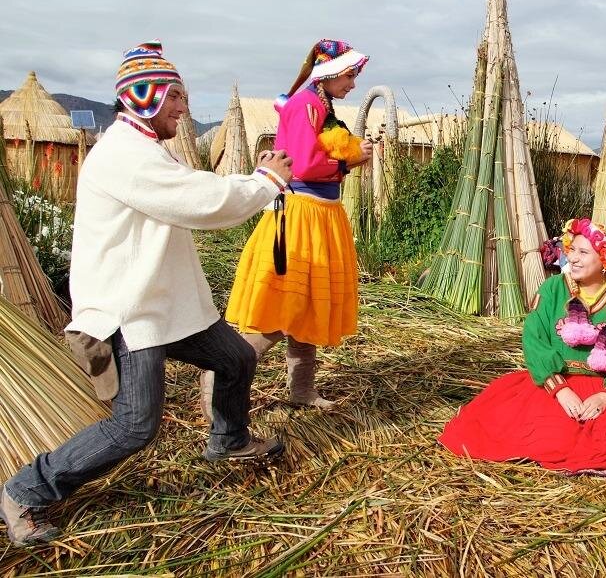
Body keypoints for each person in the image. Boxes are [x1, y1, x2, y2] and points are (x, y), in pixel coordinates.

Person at [0, 41, 293, 547]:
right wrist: (266, 182)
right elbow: (200, 201)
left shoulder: (146, 149)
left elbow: (192, 187)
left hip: (166, 304)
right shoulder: (124, 155)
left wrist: (255, 179)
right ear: (145, 97)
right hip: (130, 312)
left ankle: (229, 440)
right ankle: (25, 490)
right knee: (135, 426)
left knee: (235, 358)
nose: (183, 107)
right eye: (174, 96)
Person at [216, 39, 373, 412]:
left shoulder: (320, 105)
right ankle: (217, 384)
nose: (353, 84)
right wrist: (349, 160)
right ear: (329, 74)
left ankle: (301, 390)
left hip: (319, 214)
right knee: (283, 307)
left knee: (307, 307)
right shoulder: (306, 105)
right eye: (349, 76)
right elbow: (303, 164)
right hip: (301, 218)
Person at [439, 218, 606, 472]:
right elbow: (535, 338)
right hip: (555, 384)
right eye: (572, 250)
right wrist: (559, 389)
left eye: (583, 252)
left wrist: (605, 396)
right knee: (546, 435)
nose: (572, 258)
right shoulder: (553, 289)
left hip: (601, 390)